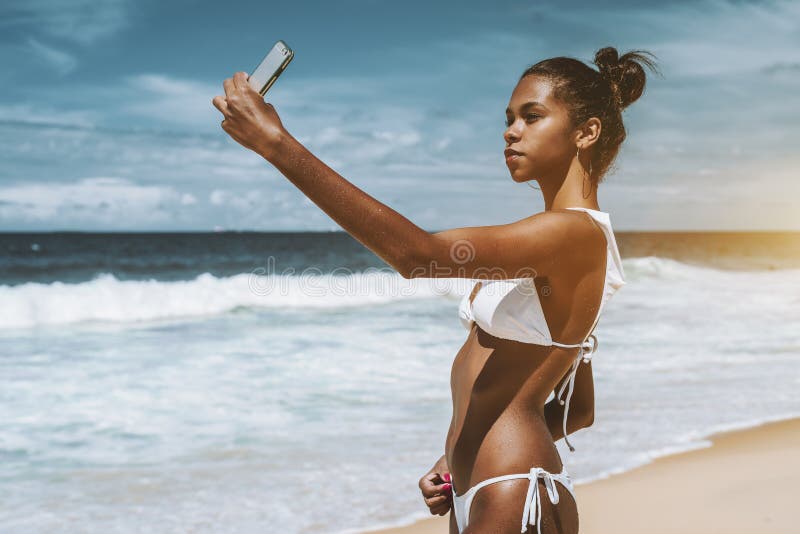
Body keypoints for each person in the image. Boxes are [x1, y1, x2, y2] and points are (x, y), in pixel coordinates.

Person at [213, 45, 659, 534]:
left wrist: (277, 145)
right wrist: (451, 459)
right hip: (487, 486)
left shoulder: (572, 234)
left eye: (532, 117)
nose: (511, 131)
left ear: (587, 132)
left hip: (513, 488)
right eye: (509, 119)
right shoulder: (565, 239)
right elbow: (578, 409)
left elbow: (416, 255)